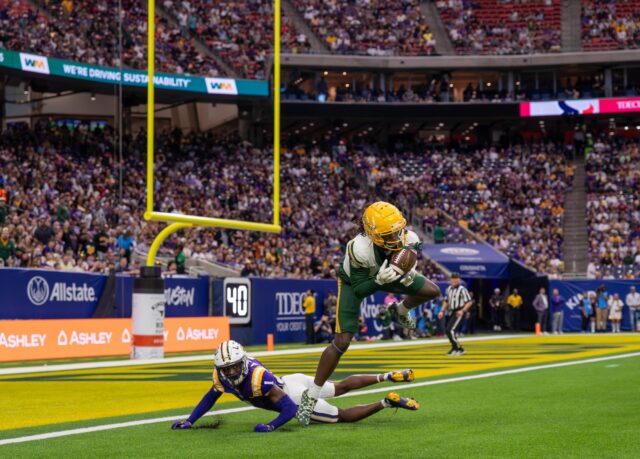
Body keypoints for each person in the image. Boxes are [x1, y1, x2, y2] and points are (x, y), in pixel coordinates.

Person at [296, 202, 440, 426]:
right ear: (374, 234)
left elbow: (413, 248)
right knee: (341, 342)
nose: (398, 236)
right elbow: (361, 289)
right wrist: (379, 280)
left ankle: (401, 309)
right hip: (358, 281)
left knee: (432, 290)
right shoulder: (359, 248)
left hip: (390, 273)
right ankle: (312, 395)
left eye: (398, 230)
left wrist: (405, 264)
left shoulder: (408, 237)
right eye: (390, 234)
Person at [171, 340, 419, 432]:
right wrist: (191, 420)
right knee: (339, 386)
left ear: (243, 362)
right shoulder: (222, 374)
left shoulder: (257, 377)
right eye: (227, 368)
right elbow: (211, 396)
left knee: (341, 416)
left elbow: (289, 409)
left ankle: (387, 400)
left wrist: (271, 426)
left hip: (296, 397)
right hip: (291, 379)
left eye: (235, 367)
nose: (231, 372)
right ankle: (387, 375)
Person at [438, 273, 472, 355]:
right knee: (448, 330)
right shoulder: (448, 289)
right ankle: (455, 348)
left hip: (459, 311)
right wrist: (442, 311)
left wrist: (463, 311)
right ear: (450, 280)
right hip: (452, 311)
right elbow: (446, 301)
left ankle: (458, 348)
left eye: (456, 280)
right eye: (453, 280)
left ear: (459, 280)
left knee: (451, 330)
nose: (454, 282)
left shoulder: (462, 289)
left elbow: (469, 302)